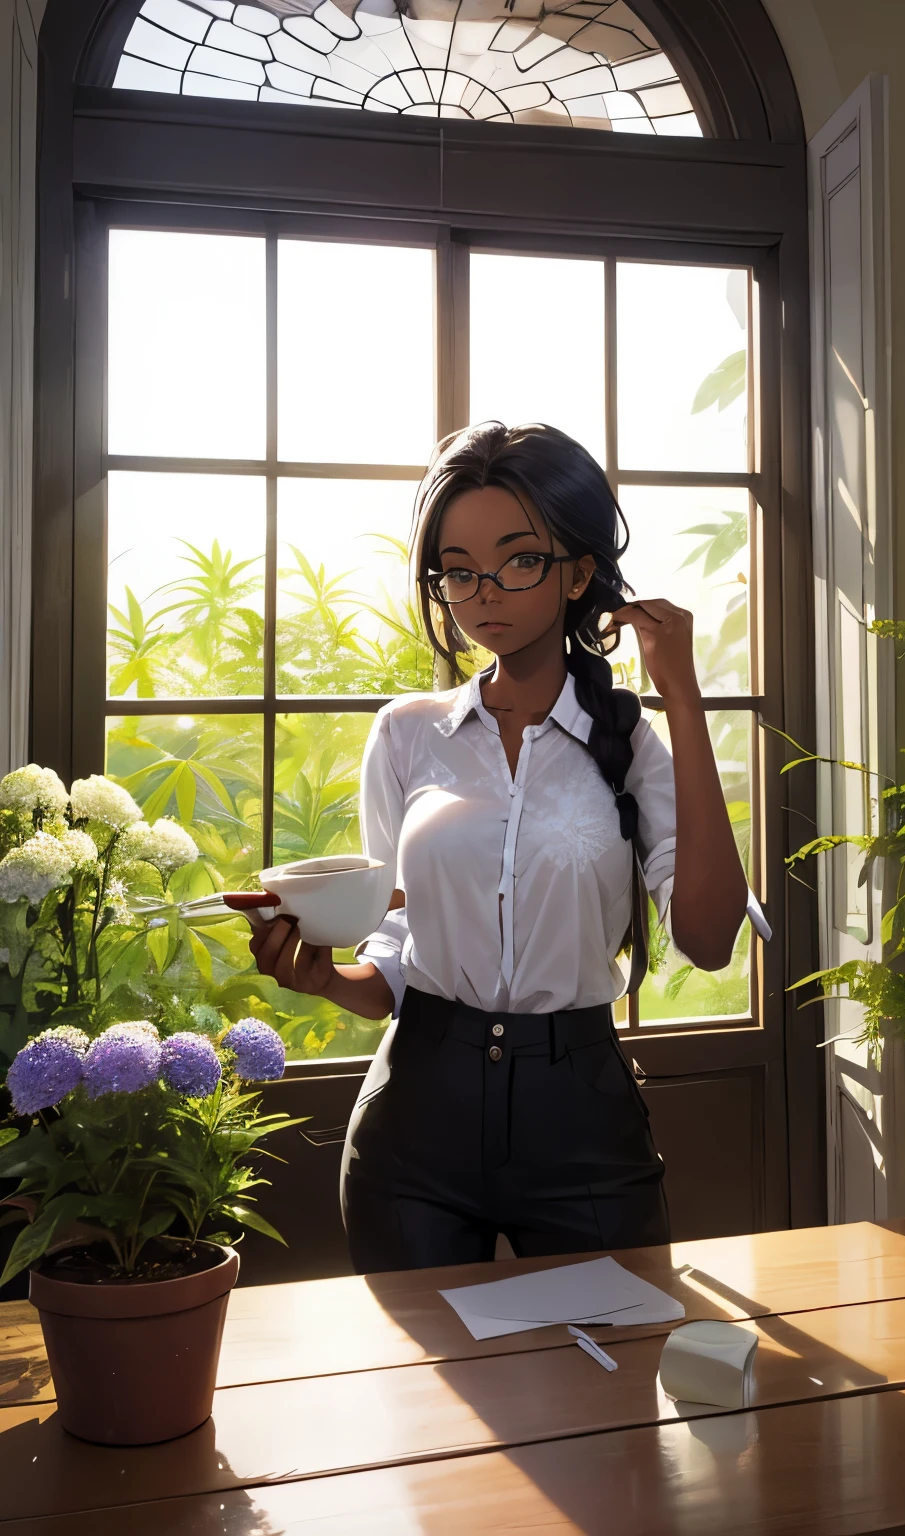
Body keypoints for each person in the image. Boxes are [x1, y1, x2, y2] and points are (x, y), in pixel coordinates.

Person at [250, 420, 766, 1274]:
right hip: (413, 1120)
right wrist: (321, 977)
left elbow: (709, 944)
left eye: (518, 559)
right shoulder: (409, 737)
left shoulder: (630, 745)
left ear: (578, 572)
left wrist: (681, 693)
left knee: (613, 1381)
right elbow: (399, 944)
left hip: (583, 1116)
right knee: (423, 1403)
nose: (483, 592)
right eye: (458, 570)